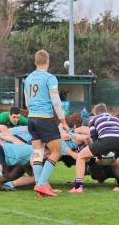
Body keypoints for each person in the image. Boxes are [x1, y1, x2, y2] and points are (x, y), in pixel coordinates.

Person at [68, 103, 119, 194]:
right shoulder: (116, 118)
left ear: (95, 113)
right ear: (106, 111)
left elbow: (94, 137)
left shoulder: (94, 119)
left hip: (105, 139)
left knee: (81, 156)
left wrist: (98, 154)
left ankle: (78, 187)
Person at [24, 49, 69, 197]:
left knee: (38, 153)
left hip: (32, 118)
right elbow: (56, 101)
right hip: (44, 118)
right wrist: (62, 120)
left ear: (35, 62)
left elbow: (27, 101)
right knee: (57, 151)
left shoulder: (28, 78)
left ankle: (39, 187)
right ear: (48, 62)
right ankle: (42, 185)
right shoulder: (50, 78)